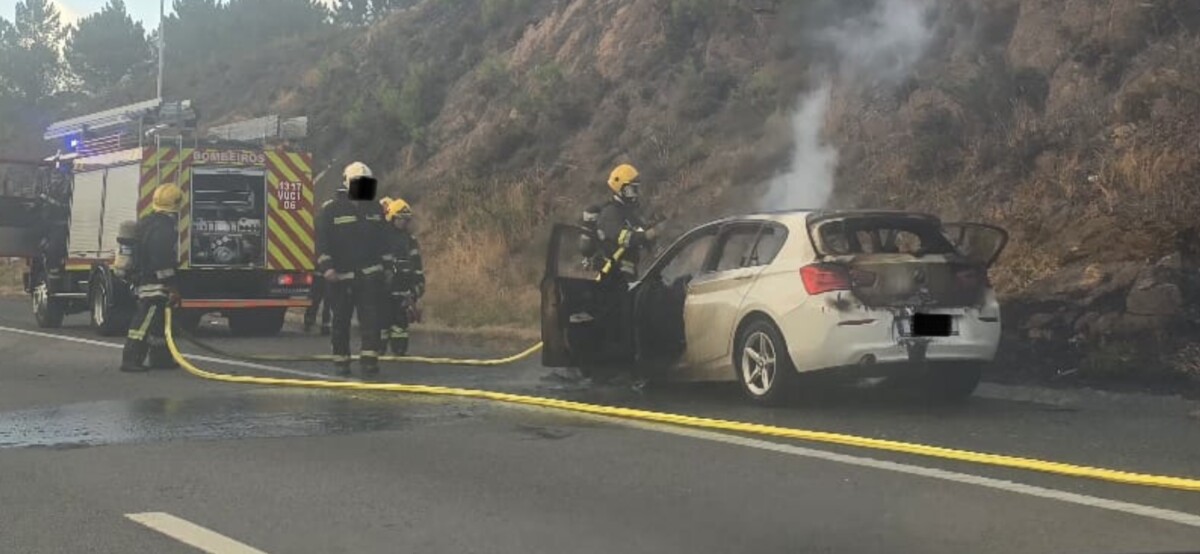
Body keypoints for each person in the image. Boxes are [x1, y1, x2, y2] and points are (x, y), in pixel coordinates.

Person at [315, 162, 387, 378]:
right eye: (359, 183)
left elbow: (384, 242)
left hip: (369, 276)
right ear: (347, 183)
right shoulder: (331, 210)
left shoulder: (375, 209)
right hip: (341, 277)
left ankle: (369, 360)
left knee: (371, 320)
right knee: (340, 321)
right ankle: (341, 361)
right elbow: (322, 243)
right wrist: (327, 268)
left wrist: (386, 267)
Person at [120, 184, 184, 372]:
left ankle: (161, 359)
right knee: (143, 323)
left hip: (146, 279)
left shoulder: (147, 222)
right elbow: (161, 259)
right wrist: (172, 286)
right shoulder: (164, 228)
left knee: (159, 324)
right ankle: (130, 360)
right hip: (154, 284)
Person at [381, 198, 425, 355]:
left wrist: (418, 284)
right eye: (401, 219)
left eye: (406, 220)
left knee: (401, 322)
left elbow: (416, 262)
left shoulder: (410, 240)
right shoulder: (382, 238)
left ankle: (399, 348)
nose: (404, 223)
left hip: (404, 287)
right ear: (392, 217)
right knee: (383, 321)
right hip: (385, 288)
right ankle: (380, 348)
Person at [303, 270, 332, 335]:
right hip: (322, 276)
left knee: (322, 301)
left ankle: (311, 321)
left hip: (322, 276)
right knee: (322, 301)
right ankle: (324, 324)